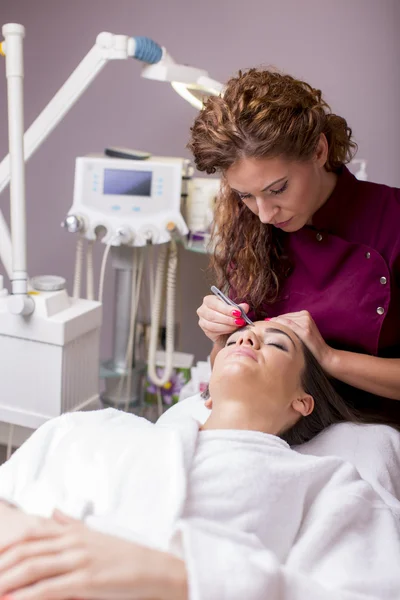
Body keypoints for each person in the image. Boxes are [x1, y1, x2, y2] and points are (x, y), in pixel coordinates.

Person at [0, 321, 399, 600]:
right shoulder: (92, 429)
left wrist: (179, 579)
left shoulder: (329, 482)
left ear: (302, 401)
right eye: (236, 339)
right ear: (205, 393)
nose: (246, 341)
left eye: (276, 343)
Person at [190, 68, 400, 423]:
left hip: (373, 431)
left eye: (278, 189)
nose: (265, 215)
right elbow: (227, 373)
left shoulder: (392, 222)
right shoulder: (252, 232)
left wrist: (329, 358)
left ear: (319, 150)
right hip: (278, 430)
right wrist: (221, 338)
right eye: (246, 196)